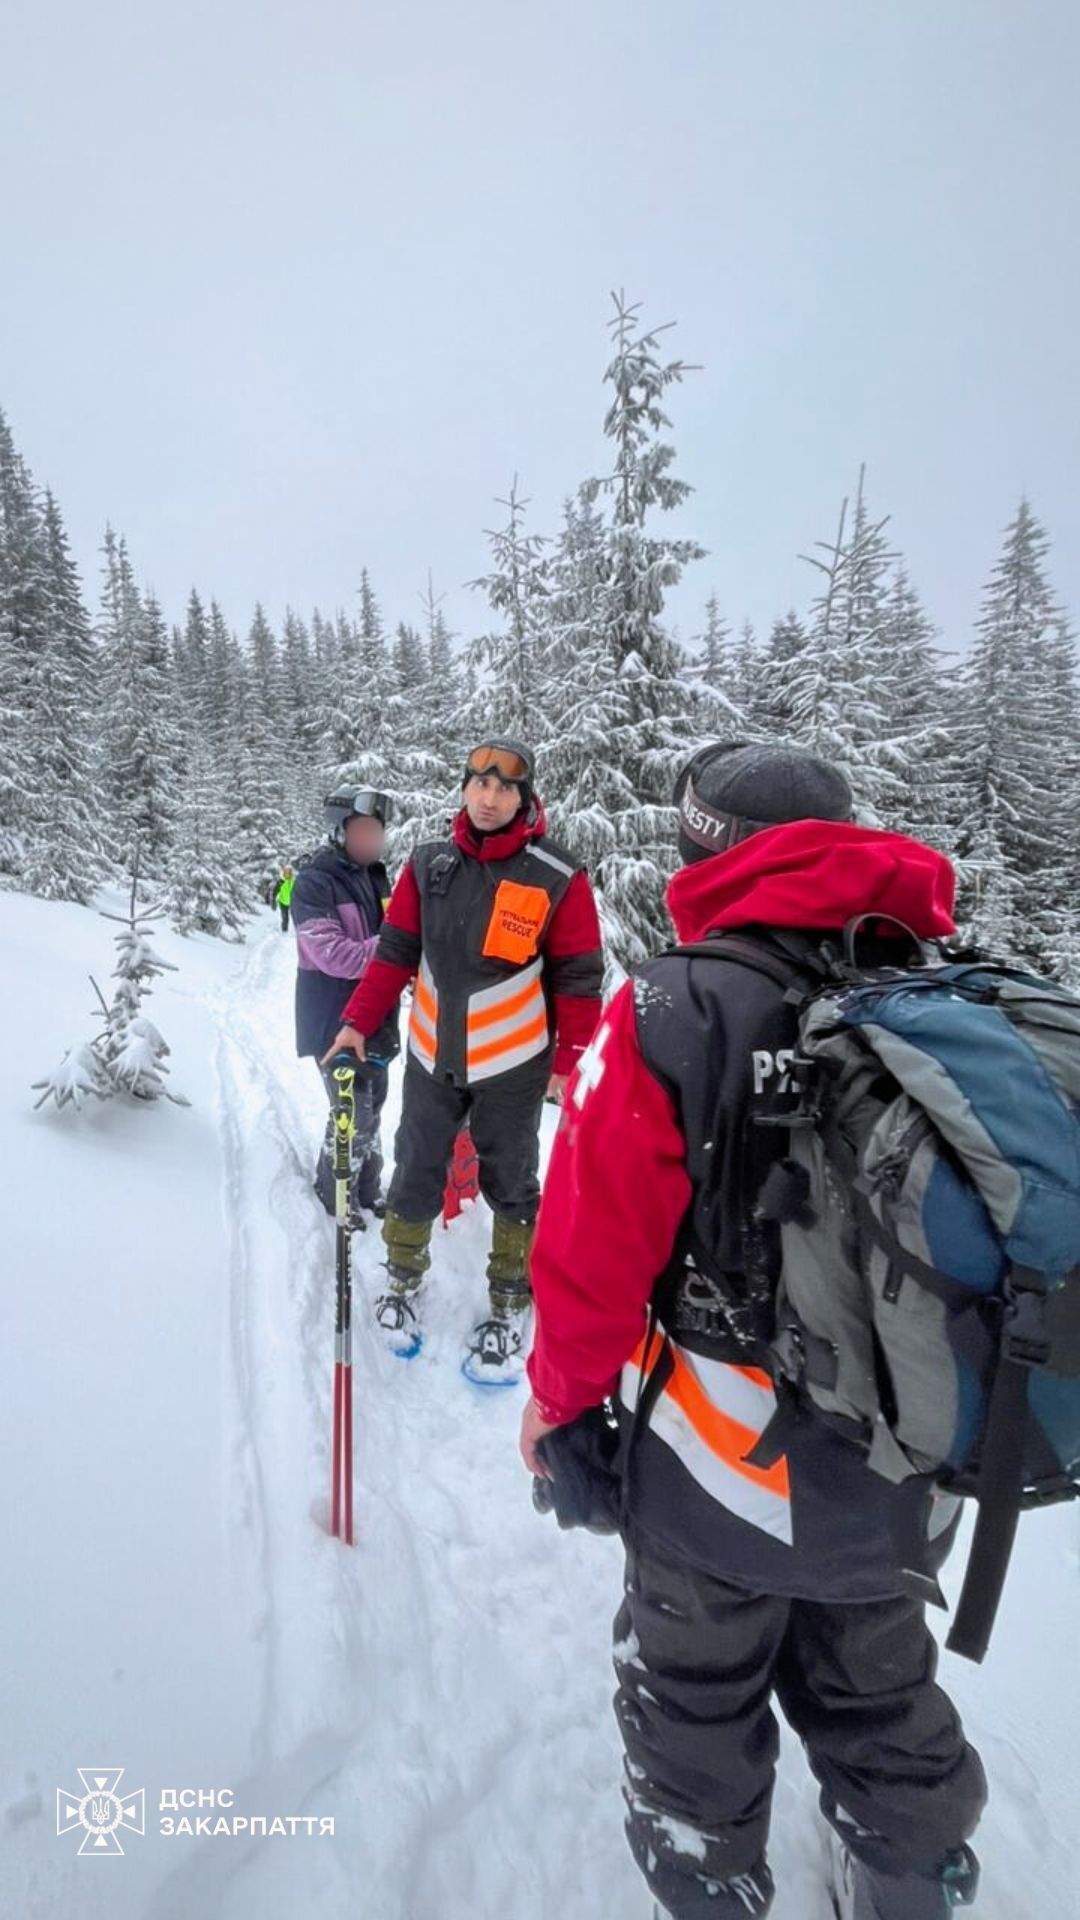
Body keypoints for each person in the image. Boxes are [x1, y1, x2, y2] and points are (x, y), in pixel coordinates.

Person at [519, 742, 985, 1920]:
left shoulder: (675, 1003)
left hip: (718, 1464)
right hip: (907, 1451)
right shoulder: (943, 981)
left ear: (705, 845)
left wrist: (563, 1407)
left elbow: (590, 1253)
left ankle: (711, 1883)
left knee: (694, 1697)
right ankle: (908, 1883)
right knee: (878, 1685)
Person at [323, 738, 603, 1379]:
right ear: (464, 790)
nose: (489, 797)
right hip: (431, 1054)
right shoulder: (428, 866)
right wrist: (355, 1026)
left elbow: (579, 979)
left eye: (505, 788)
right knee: (417, 1166)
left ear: (524, 798)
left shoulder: (556, 876)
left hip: (515, 1062)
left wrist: (573, 1061)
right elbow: (393, 954)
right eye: (479, 783)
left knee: (511, 1180)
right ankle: (401, 1280)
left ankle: (509, 1301)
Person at [292, 791, 398, 1226]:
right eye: (364, 831)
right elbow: (333, 956)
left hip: (378, 1019)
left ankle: (369, 1189)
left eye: (378, 831)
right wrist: (395, 948)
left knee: (374, 1107)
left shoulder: (375, 876)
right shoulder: (315, 882)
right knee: (351, 1116)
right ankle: (335, 1192)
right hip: (332, 1019)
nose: (375, 840)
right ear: (340, 831)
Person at [275, 864, 296, 931]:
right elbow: (275, 891)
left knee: (295, 916)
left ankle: (297, 930)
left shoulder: (294, 881)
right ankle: (284, 930)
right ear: (284, 873)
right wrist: (273, 900)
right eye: (286, 872)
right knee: (285, 917)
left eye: (289, 872)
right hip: (283, 902)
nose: (287, 874)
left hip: (292, 902)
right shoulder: (281, 882)